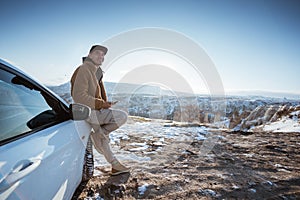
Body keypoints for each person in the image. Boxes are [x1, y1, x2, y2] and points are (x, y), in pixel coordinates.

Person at [71, 45, 130, 175]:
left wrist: (105, 104)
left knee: (102, 136)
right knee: (122, 116)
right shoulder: (84, 70)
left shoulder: (96, 72)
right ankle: (98, 135)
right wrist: (102, 104)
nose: (101, 56)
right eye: (97, 53)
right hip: (88, 111)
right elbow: (79, 96)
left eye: (103, 55)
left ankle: (115, 166)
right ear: (90, 55)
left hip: (93, 110)